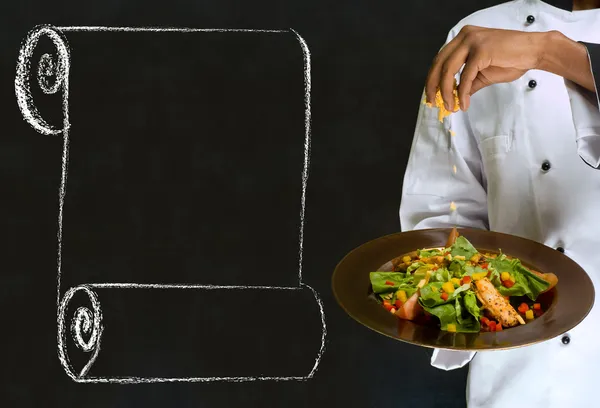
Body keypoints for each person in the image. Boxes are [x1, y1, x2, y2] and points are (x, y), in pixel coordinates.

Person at [400, 0, 600, 406]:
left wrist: (548, 53)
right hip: (519, 380)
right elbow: (443, 210)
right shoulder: (477, 34)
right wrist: (451, 301)